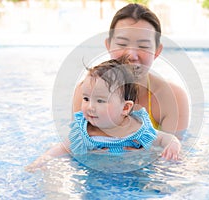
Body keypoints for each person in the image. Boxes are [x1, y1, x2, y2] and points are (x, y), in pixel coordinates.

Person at [26, 57, 181, 173]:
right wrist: (41, 162)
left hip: (134, 177)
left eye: (100, 101)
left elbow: (164, 138)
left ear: (125, 108)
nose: (90, 106)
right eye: (86, 98)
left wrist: (173, 145)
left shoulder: (139, 131)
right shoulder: (84, 134)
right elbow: (61, 149)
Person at [73, 3, 189, 138]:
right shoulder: (86, 92)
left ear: (157, 52)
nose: (131, 56)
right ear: (108, 45)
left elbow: (173, 154)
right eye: (122, 44)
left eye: (143, 46)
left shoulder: (172, 97)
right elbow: (76, 146)